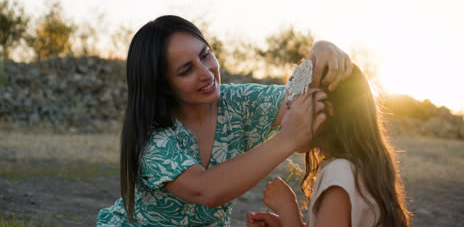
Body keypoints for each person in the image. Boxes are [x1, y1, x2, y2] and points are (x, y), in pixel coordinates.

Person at [96, 15, 352, 226]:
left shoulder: (238, 101)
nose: (207, 73)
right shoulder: (153, 136)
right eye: (187, 70)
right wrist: (288, 138)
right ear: (163, 86)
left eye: (205, 55)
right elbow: (206, 190)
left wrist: (320, 51)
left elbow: (297, 100)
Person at [246, 64, 412, 227]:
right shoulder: (357, 167)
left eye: (290, 107)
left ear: (324, 110)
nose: (283, 120)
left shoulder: (340, 172)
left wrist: (287, 209)